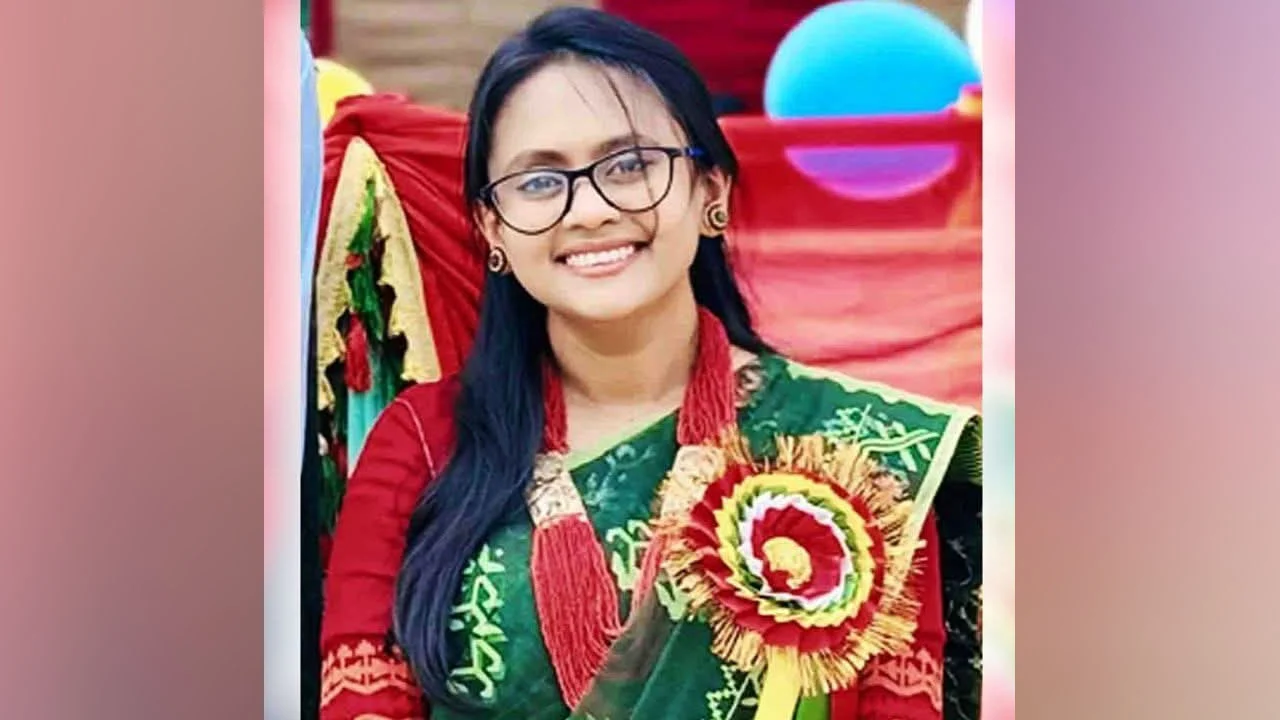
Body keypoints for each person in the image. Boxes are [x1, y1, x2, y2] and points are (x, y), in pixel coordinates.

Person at [319, 8, 981, 720]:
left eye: (630, 165)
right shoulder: (424, 445)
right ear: (493, 228)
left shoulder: (860, 452)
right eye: (539, 181)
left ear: (711, 193)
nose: (589, 210)